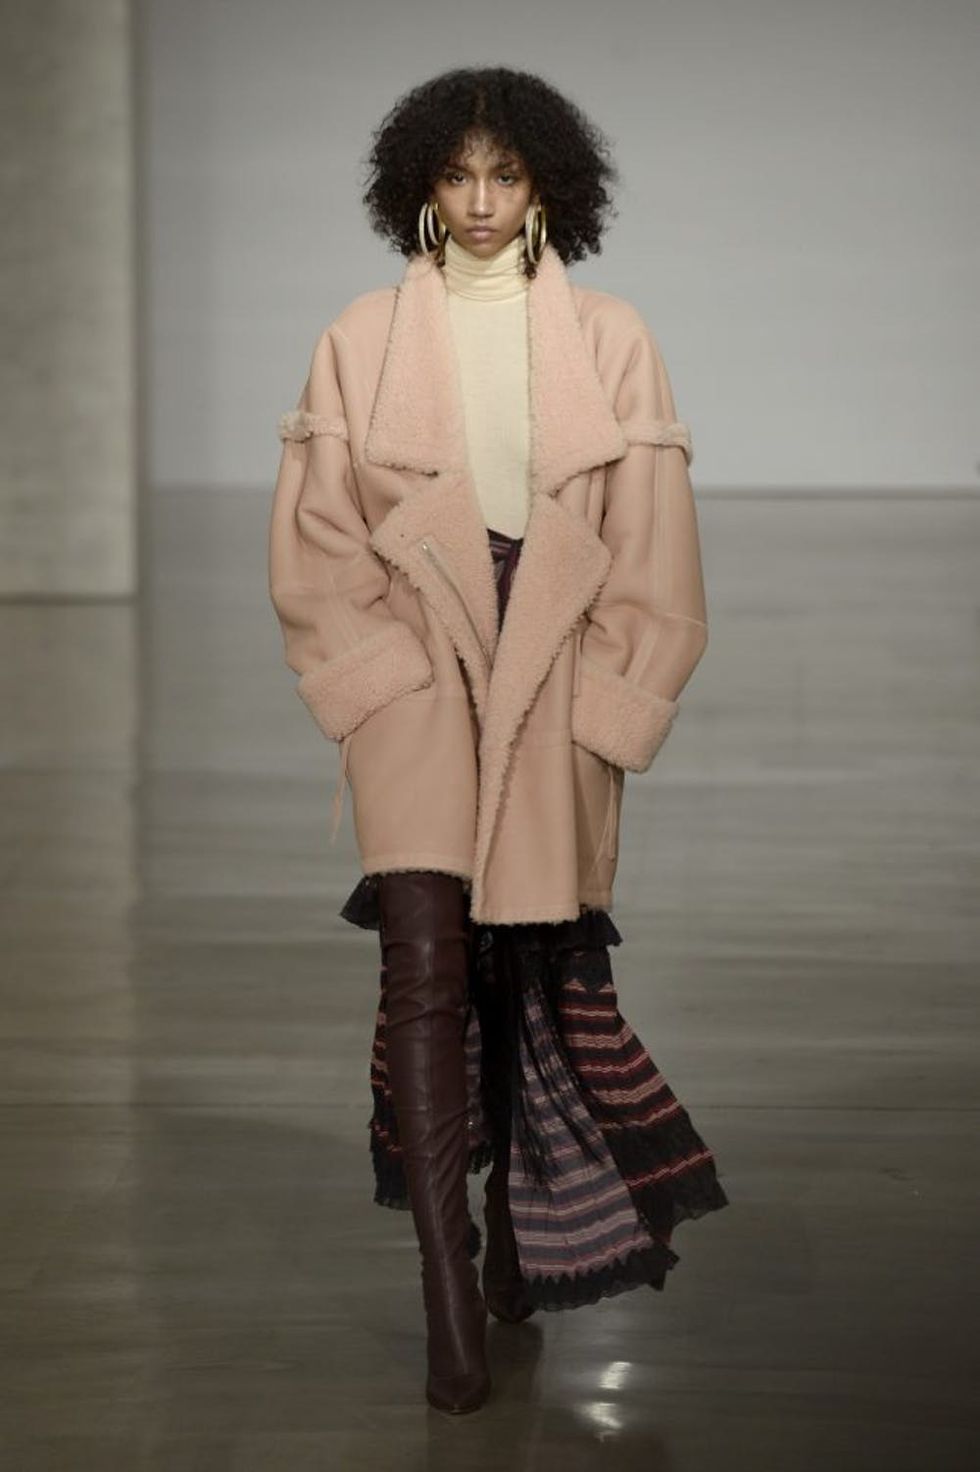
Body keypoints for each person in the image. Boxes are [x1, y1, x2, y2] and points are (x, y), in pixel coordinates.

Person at [268, 66, 729, 1416]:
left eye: (505, 177)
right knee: (423, 963)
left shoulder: (614, 339)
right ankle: (449, 1292)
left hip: (552, 665)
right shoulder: (358, 336)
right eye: (457, 175)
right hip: (416, 656)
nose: (477, 203)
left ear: (547, 189)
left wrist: (616, 691)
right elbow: (314, 534)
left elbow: (654, 543)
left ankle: (526, 1242)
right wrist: (378, 669)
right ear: (418, 182)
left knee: (525, 967)